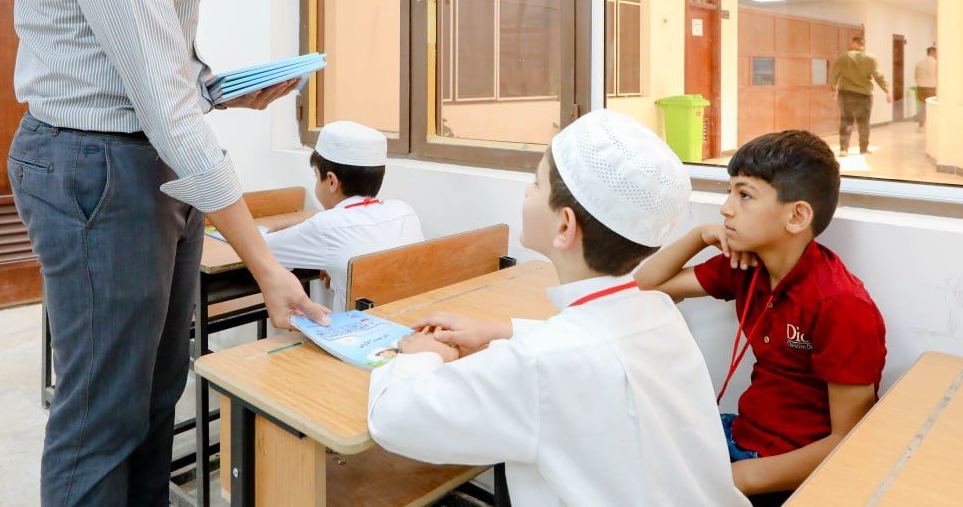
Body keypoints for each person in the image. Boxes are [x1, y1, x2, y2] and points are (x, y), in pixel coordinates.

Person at [8, 0, 328, 506]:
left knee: (156, 394)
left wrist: (216, 86)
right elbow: (158, 101)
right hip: (95, 162)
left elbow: (155, 58)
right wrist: (266, 264)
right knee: (102, 413)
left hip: (145, 158)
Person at [366, 110, 749, 507]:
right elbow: (598, 345)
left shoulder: (540, 363)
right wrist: (499, 331)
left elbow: (392, 419)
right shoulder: (659, 312)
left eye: (536, 182)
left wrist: (421, 354)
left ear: (565, 226)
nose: (527, 192)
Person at [637, 130, 886, 504]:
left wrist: (738, 479)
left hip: (783, 471)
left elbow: (849, 441)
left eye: (744, 195)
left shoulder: (841, 306)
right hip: (741, 436)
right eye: (729, 192)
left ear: (797, 216)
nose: (726, 209)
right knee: (631, 450)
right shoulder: (746, 267)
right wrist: (699, 236)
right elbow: (646, 286)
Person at [263, 121, 424, 312]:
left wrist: (279, 227)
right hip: (407, 322)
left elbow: (258, 249)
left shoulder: (326, 226)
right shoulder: (404, 211)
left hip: (354, 329)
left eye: (316, 176)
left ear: (331, 181)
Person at [828, 35, 891, 156]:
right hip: (864, 95)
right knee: (864, 122)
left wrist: (833, 89)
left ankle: (843, 149)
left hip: (846, 93)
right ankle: (863, 148)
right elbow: (878, 76)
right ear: (863, 45)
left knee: (846, 120)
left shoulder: (843, 57)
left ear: (854, 43)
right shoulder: (871, 58)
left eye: (851, 43)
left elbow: (834, 74)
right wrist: (887, 90)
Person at [914, 46, 938, 130]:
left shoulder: (919, 63)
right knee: (933, 108)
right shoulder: (936, 63)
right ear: (933, 52)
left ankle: (921, 127)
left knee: (923, 108)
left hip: (920, 87)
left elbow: (916, 76)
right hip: (931, 88)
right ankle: (933, 127)